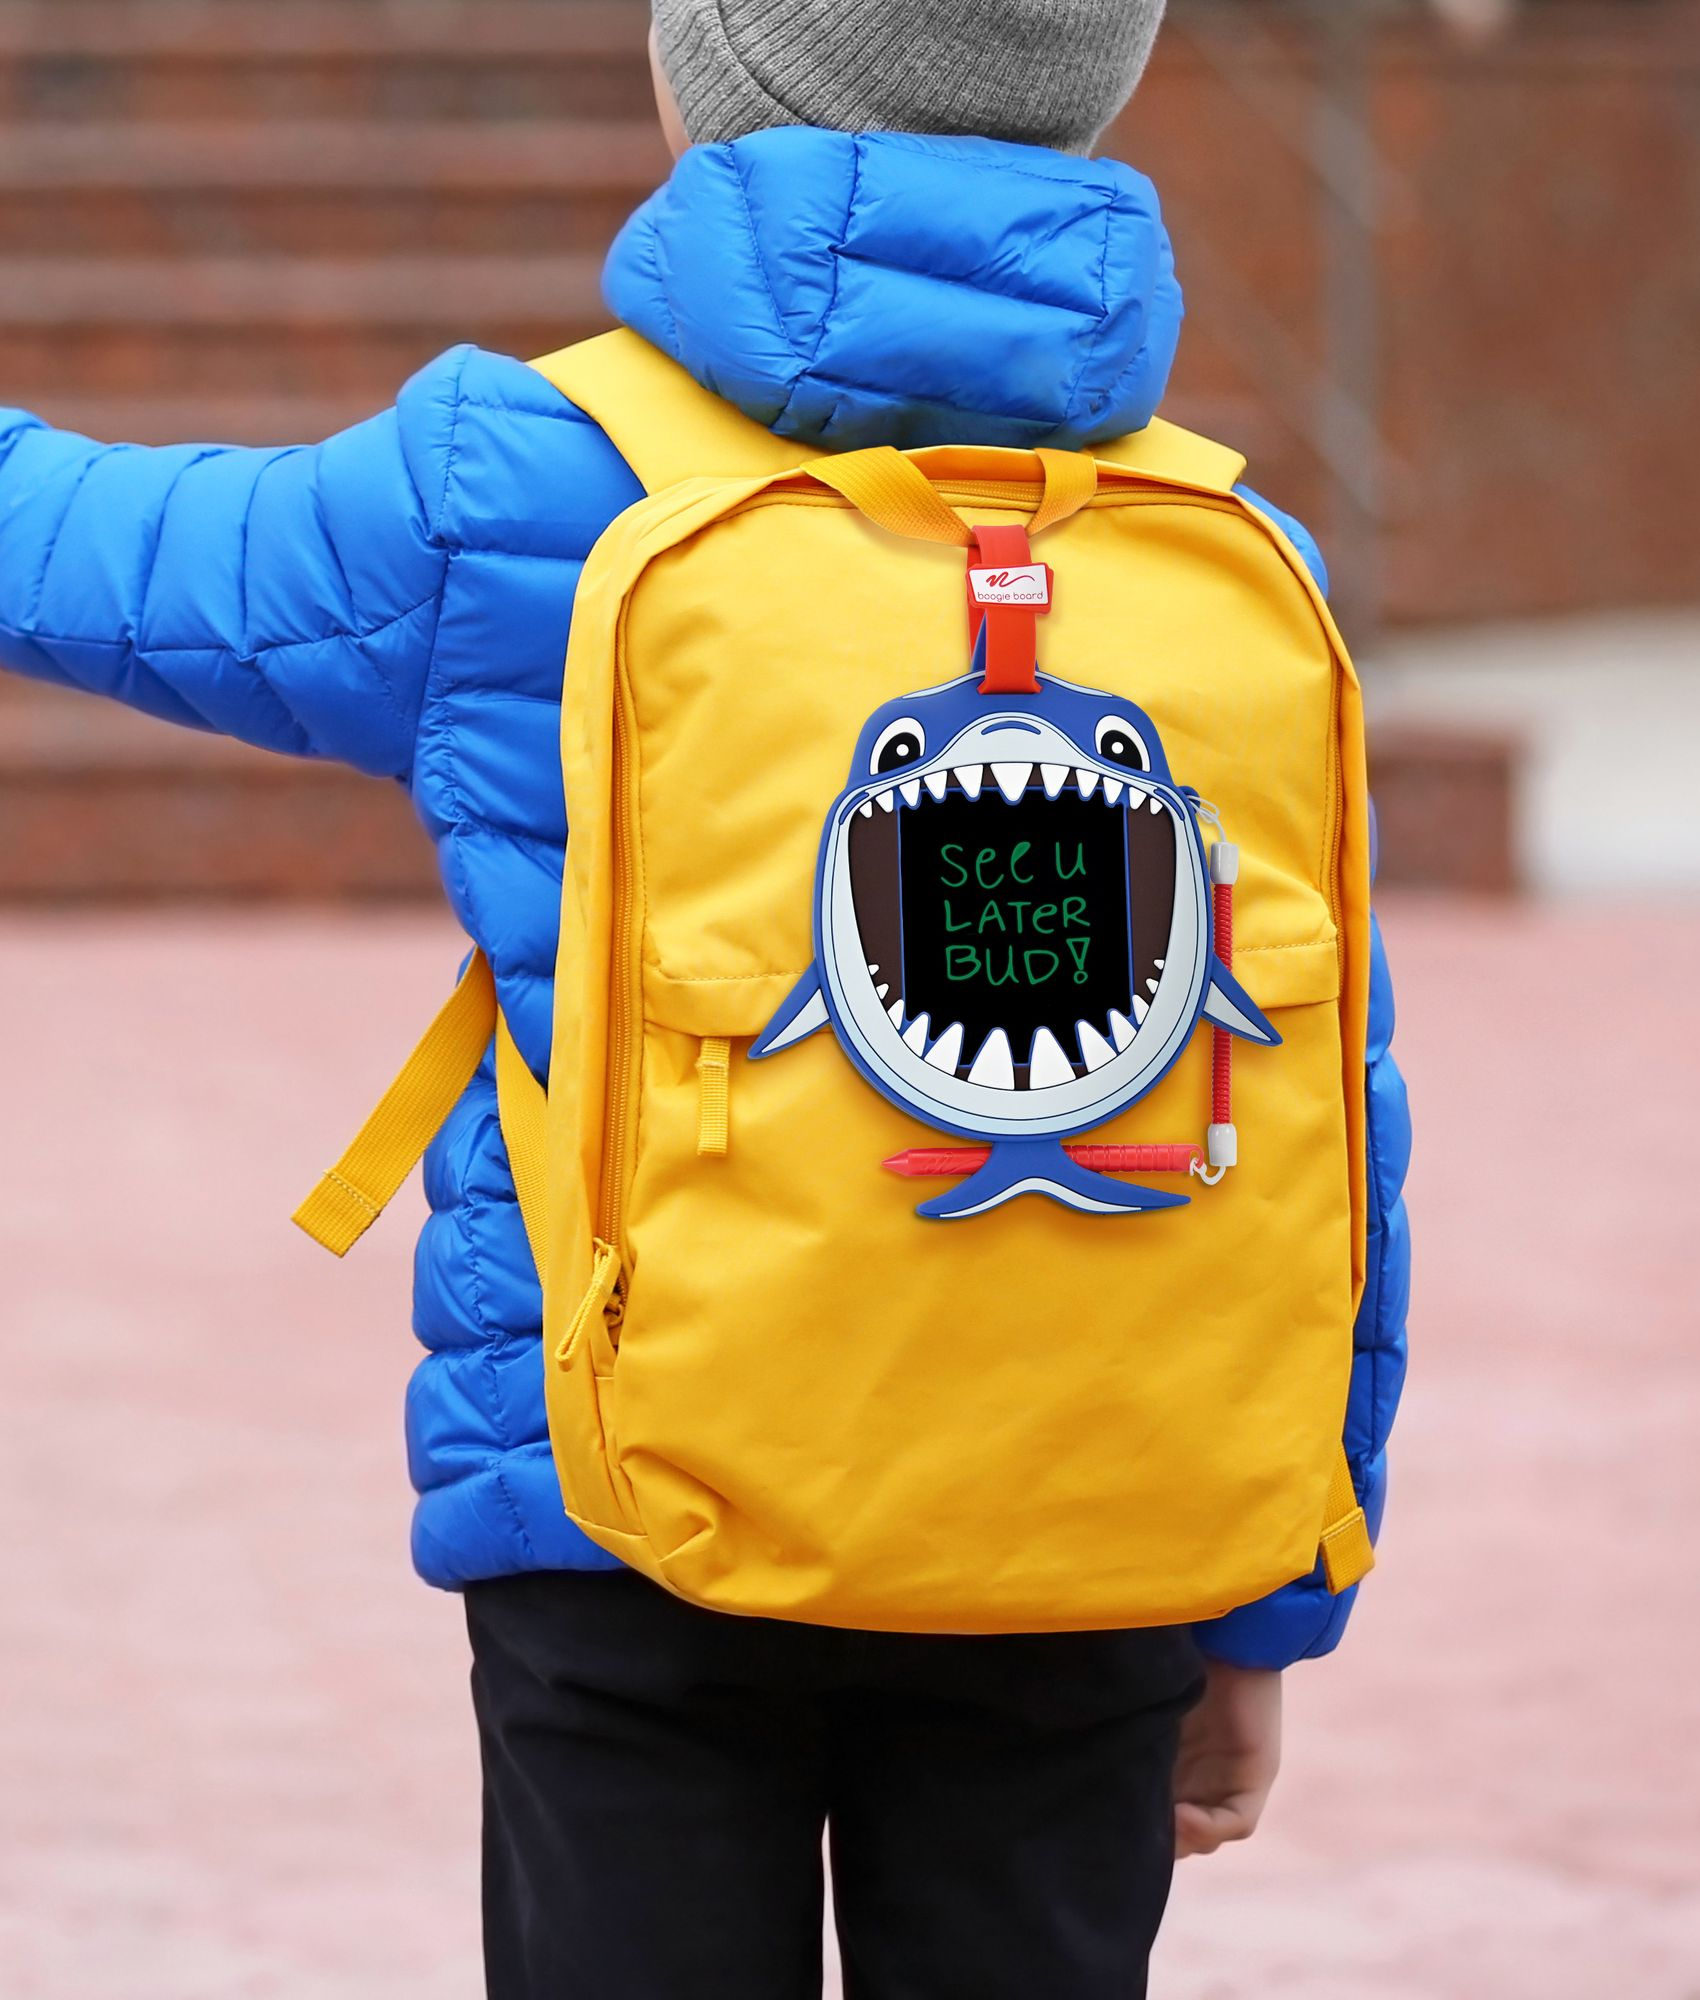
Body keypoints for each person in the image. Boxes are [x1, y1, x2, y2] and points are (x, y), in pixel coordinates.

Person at [0, 3, 1411, 1993]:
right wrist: (1273, 1592)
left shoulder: (524, 484)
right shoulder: (1238, 546)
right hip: (1093, 1512)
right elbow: (1330, 1122)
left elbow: (95, 561)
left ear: (706, 75)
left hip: (632, 1504)